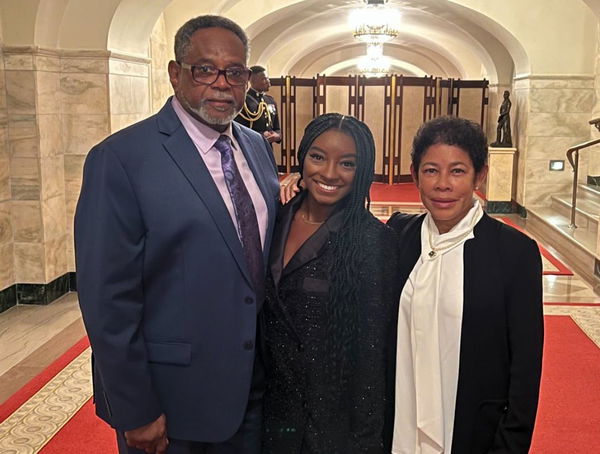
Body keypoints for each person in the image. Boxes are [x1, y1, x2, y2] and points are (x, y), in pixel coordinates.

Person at [74, 15, 280, 454]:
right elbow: (107, 299)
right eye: (205, 69)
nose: (223, 84)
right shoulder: (122, 159)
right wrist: (136, 408)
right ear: (175, 73)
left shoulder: (256, 148)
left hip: (251, 386)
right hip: (171, 398)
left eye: (236, 72)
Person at [388, 116, 543, 453]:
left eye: (457, 171)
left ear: (480, 175)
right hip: (398, 422)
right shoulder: (398, 234)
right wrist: (297, 189)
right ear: (414, 174)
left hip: (472, 431)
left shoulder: (514, 253)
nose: (443, 184)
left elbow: (526, 368)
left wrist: (509, 444)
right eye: (431, 170)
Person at [261, 113, 399, 453]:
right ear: (301, 158)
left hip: (328, 425)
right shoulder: (271, 219)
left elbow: (371, 354)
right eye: (318, 157)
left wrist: (365, 441)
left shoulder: (372, 241)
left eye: (347, 163)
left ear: (363, 171)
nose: (329, 173)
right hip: (264, 413)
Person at [235, 65, 282, 145]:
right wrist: (261, 135)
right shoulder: (243, 101)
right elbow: (239, 130)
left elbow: (277, 128)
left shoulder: (270, 101)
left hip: (268, 149)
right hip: (251, 146)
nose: (268, 81)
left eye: (268, 78)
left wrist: (277, 136)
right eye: (264, 79)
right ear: (253, 81)